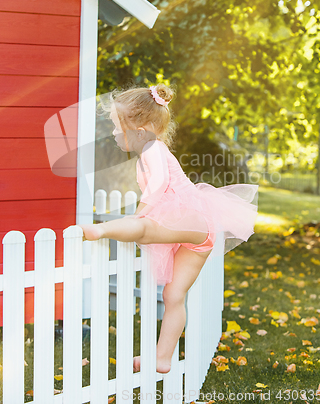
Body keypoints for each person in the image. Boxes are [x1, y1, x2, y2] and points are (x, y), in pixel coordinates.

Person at [77, 83, 259, 375]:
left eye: (116, 126)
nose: (113, 133)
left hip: (192, 218)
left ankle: (101, 231)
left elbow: (160, 185)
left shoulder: (152, 149)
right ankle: (163, 357)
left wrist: (140, 215)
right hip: (200, 233)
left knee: (145, 228)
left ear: (141, 129)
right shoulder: (151, 150)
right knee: (173, 296)